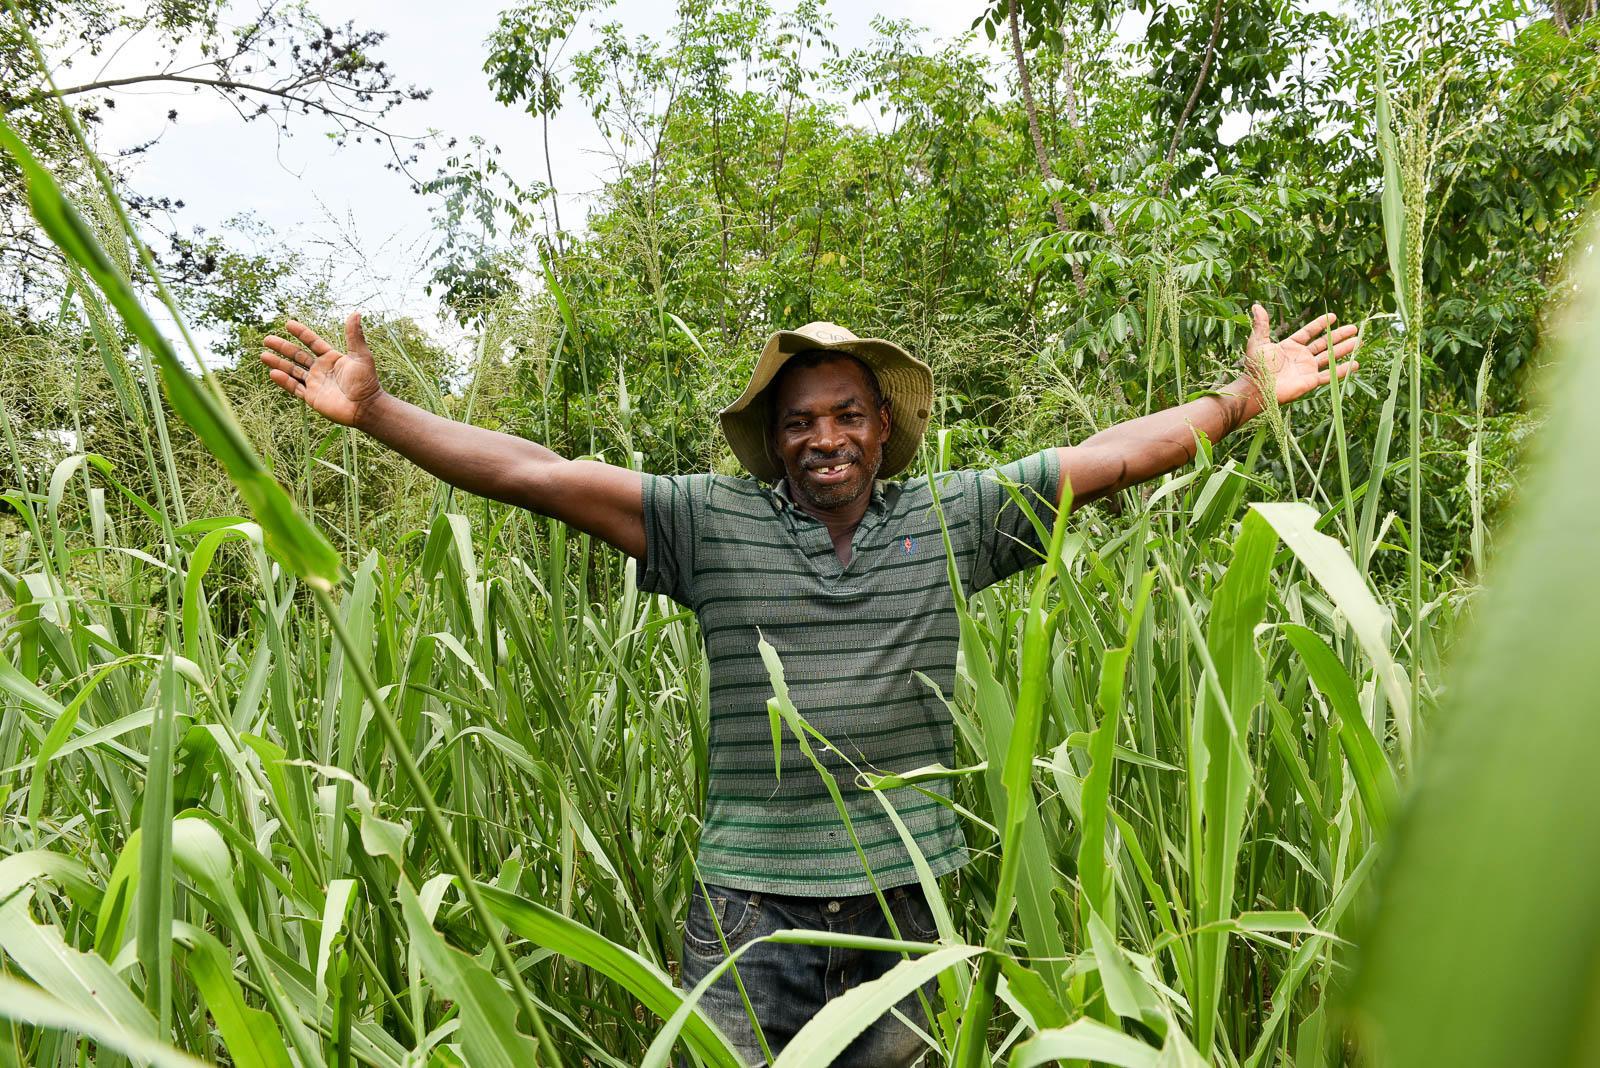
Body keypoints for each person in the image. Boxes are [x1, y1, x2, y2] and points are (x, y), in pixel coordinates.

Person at [261, 308, 1358, 1066]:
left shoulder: (957, 516)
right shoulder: (706, 523)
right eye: (798, 421)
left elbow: (1112, 456)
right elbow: (538, 475)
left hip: (903, 904)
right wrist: (379, 414)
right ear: (771, 440)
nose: (822, 438)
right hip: (747, 910)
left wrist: (1242, 397)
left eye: (844, 415)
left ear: (884, 427)